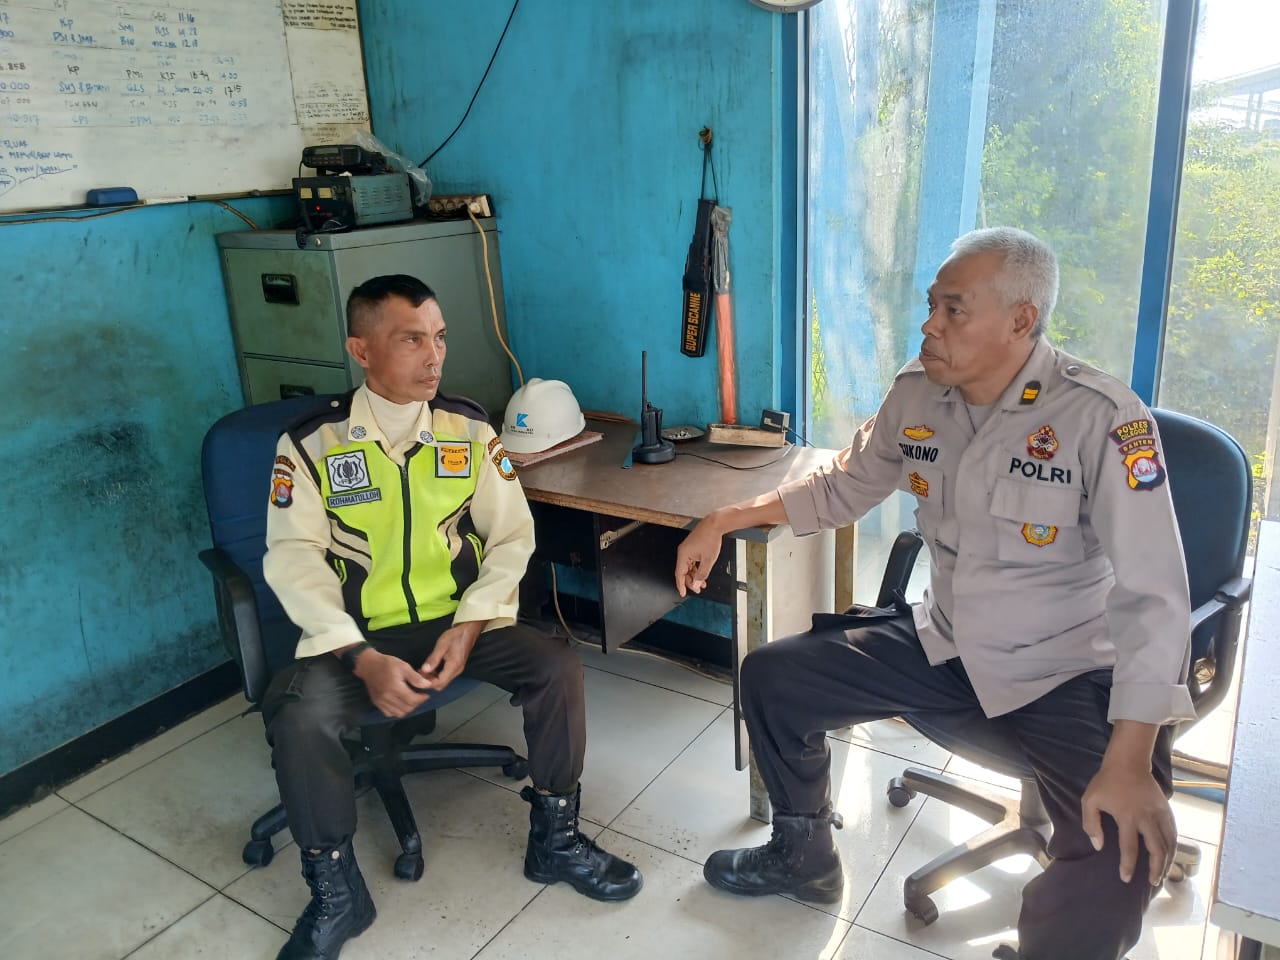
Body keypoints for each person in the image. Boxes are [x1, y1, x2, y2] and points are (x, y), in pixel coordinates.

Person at [674, 228, 1192, 960]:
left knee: (1120, 854)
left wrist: (1133, 757)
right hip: (948, 642)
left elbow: (1155, 593)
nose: (929, 326)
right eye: (930, 306)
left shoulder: (1101, 418)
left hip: (1068, 670)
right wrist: (728, 517)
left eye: (954, 310)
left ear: (1021, 320)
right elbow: (845, 484)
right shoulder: (919, 393)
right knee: (773, 678)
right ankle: (803, 855)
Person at [263, 274, 642, 960]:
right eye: (411, 340)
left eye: (439, 338)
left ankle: (555, 841)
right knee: (296, 713)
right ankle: (337, 894)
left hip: (456, 623)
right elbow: (294, 561)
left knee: (555, 666)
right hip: (356, 637)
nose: (434, 356)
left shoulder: (467, 429)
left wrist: (471, 625)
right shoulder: (313, 443)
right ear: (361, 350)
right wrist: (359, 656)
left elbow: (513, 535)